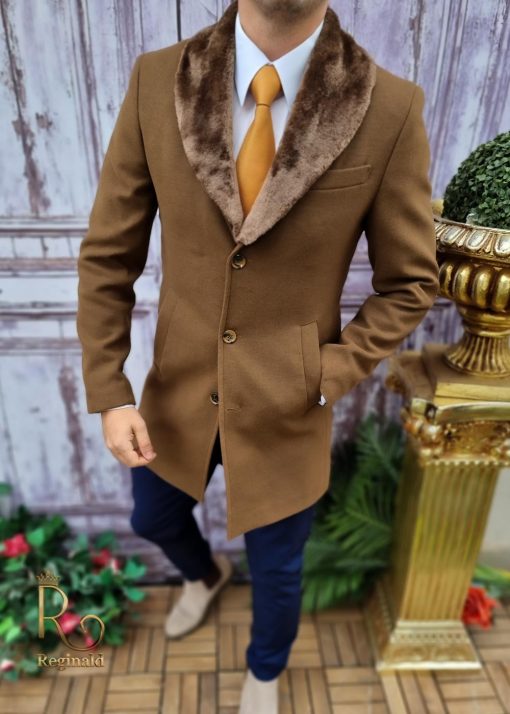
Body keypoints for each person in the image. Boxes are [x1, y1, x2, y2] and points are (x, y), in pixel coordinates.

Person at [76, 0, 440, 711]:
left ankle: (265, 672)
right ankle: (203, 575)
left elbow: (410, 283)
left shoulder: (391, 107)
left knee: (277, 571)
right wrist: (111, 391)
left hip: (288, 405)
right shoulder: (157, 80)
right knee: (152, 519)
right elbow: (108, 256)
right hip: (178, 390)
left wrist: (328, 372)